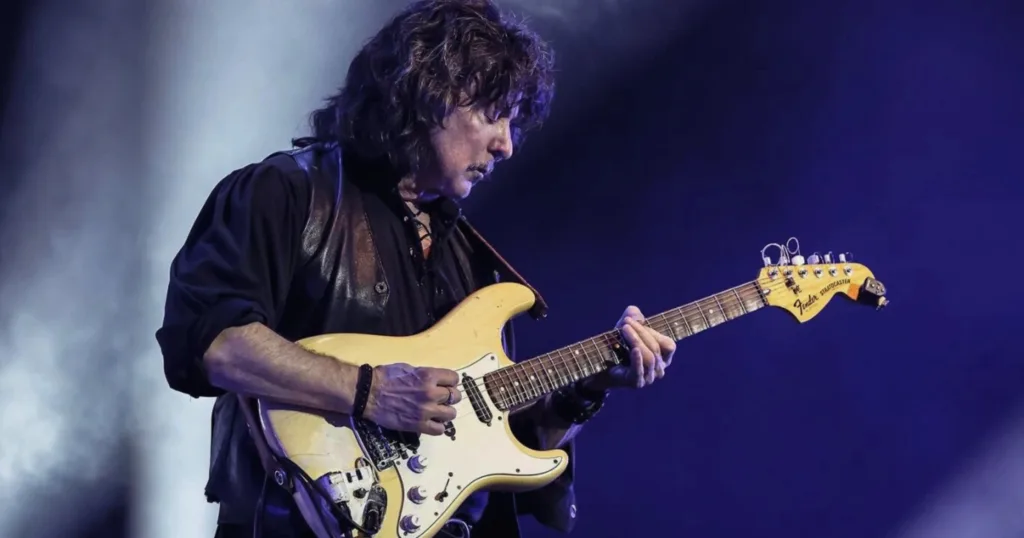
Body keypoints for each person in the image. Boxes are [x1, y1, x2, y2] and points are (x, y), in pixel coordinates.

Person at [155, 1, 676, 537]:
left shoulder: (474, 263)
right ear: (426, 94)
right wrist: (369, 390)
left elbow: (492, 454)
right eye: (493, 114)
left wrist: (582, 392)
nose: (506, 144)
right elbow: (211, 341)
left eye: (512, 122)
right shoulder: (285, 193)